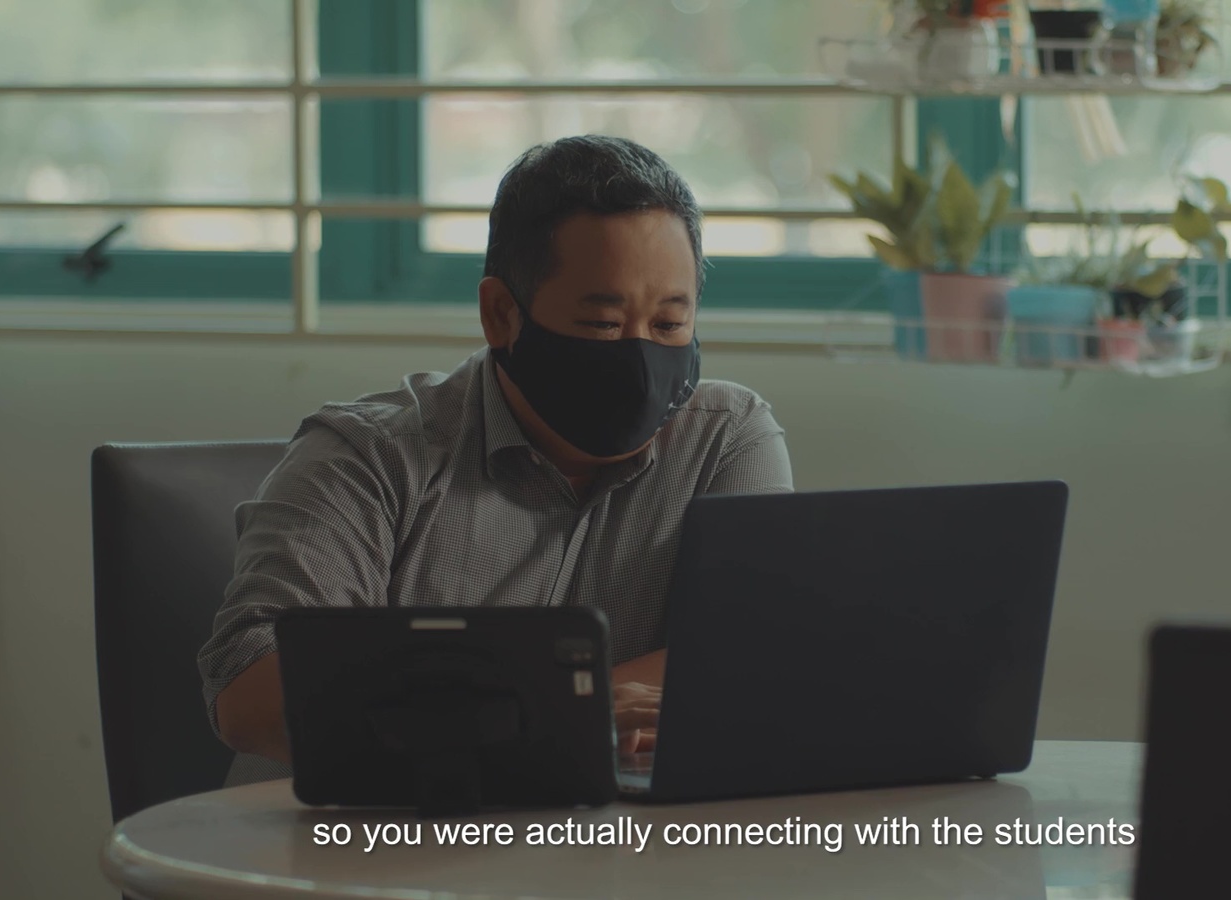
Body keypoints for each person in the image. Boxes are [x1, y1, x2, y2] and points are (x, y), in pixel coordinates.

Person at [198, 135, 793, 783]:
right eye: (602, 325)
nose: (641, 357)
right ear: (501, 313)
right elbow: (249, 691)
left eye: (670, 326)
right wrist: (557, 719)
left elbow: (751, 653)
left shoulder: (725, 440)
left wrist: (471, 712)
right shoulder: (368, 455)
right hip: (363, 850)